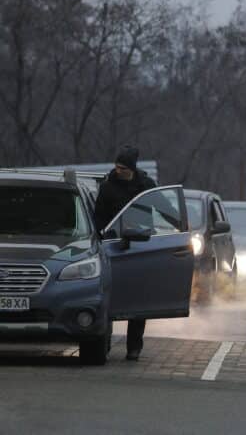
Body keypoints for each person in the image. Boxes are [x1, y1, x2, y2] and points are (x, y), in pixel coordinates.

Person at [94, 145, 156, 361]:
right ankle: (104, 342)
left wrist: (179, 225)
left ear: (131, 168)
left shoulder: (146, 185)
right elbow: (99, 217)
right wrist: (102, 239)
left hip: (141, 245)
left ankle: (134, 347)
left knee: (137, 300)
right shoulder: (108, 187)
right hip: (113, 246)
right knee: (109, 298)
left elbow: (162, 206)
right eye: (116, 166)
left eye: (122, 167)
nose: (118, 170)